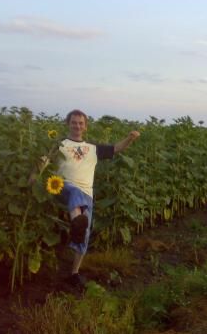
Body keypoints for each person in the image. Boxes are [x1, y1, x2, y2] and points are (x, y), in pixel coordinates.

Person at [31, 109, 140, 286]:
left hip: (86, 194)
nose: (77, 126)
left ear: (85, 126)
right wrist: (34, 176)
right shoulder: (60, 143)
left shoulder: (93, 148)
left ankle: (74, 273)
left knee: (85, 234)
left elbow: (117, 148)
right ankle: (77, 222)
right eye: (74, 122)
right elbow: (44, 161)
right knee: (74, 193)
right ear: (68, 124)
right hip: (60, 186)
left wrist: (130, 138)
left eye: (81, 123)